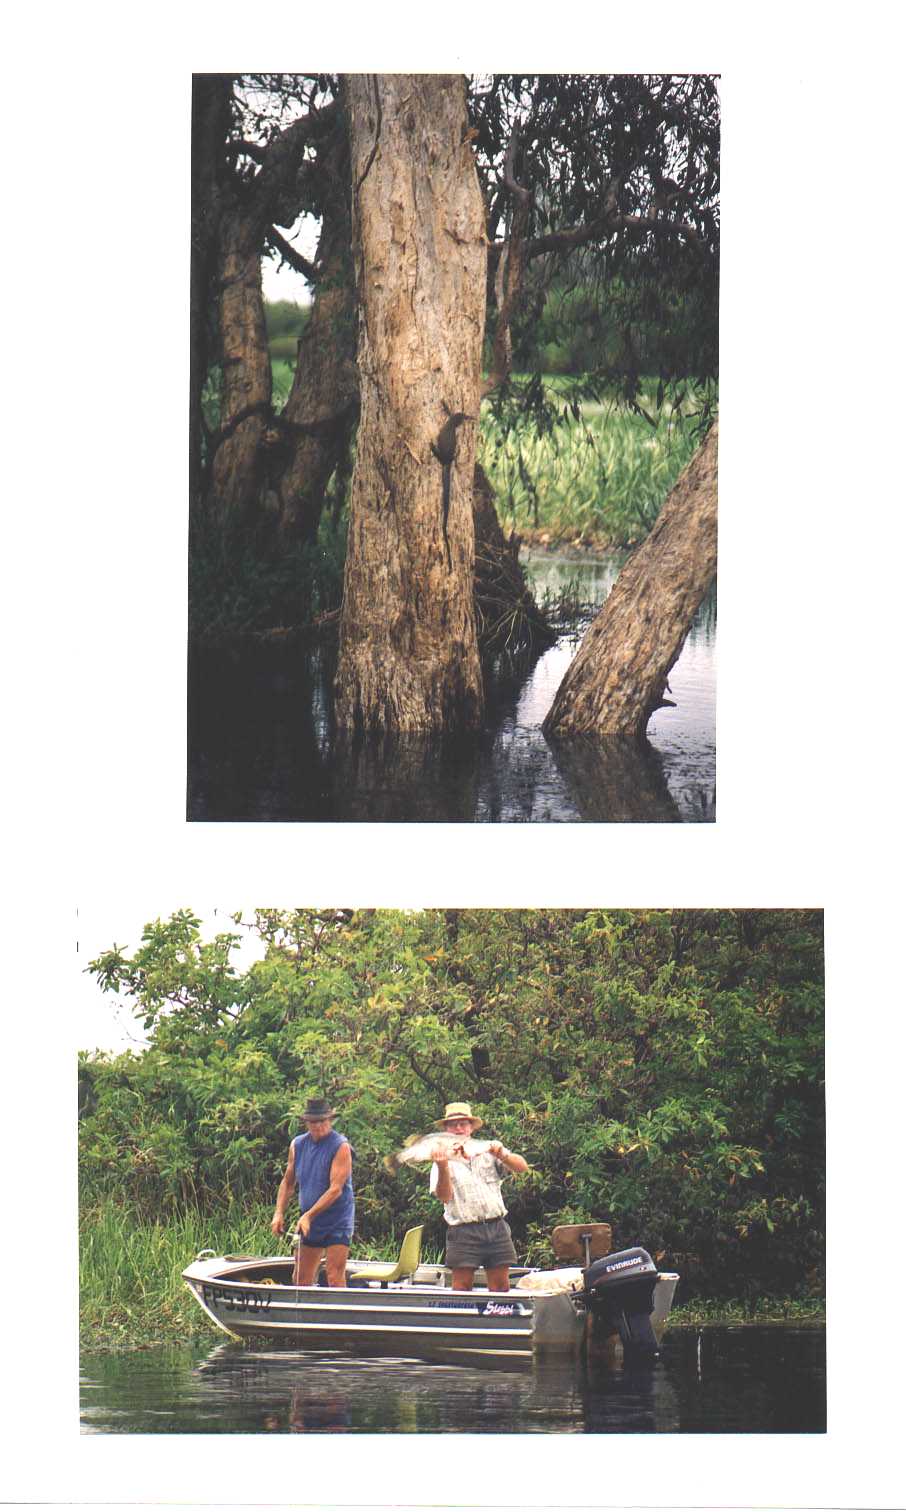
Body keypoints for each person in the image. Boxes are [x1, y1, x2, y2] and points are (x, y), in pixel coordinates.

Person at [429, 1101, 528, 1292]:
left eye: (463, 1123)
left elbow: (522, 1167)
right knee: (462, 1287)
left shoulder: (487, 1150)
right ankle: (462, 1321)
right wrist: (443, 1167)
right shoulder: (440, 1159)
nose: (458, 1128)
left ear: (471, 1128)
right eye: (453, 1124)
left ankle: (499, 1321)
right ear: (446, 1129)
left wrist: (503, 1154)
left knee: (501, 1287)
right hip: (462, 1231)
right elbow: (444, 1196)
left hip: (496, 1227)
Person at [271, 1096, 354, 1287]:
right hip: (310, 1219)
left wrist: (308, 1215)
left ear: (330, 1120)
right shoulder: (298, 1145)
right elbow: (288, 1182)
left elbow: (336, 1190)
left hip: (337, 1218)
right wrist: (279, 1213)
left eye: (323, 1121)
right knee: (301, 1278)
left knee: (334, 1275)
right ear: (306, 1123)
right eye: (314, 1122)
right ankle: (304, 1314)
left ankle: (339, 1314)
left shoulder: (341, 1146)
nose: (318, 1126)